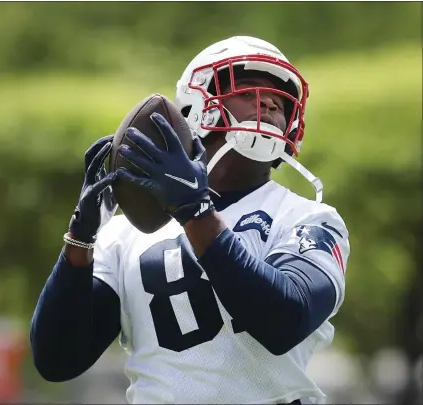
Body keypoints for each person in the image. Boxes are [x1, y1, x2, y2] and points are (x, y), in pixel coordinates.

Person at [30, 36, 350, 404]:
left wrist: (195, 212)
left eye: (279, 99)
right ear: (195, 107)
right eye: (248, 91)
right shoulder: (125, 232)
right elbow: (57, 360)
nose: (271, 103)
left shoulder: (311, 219)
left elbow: (285, 320)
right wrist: (80, 239)